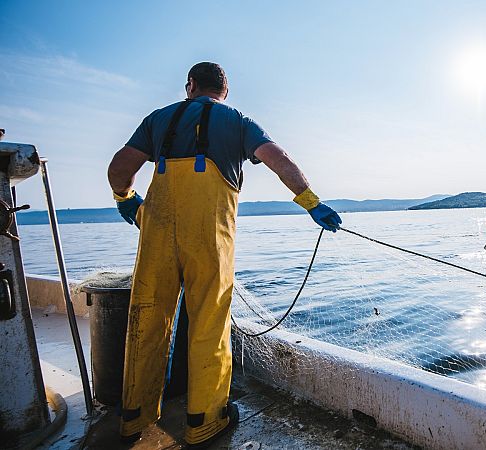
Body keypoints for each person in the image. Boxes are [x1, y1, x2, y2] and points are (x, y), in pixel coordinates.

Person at [106, 62, 341, 447]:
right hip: (209, 237)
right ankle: (204, 421)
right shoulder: (238, 121)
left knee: (147, 317)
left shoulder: (158, 119)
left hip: (157, 232)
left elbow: (119, 168)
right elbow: (278, 159)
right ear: (224, 91)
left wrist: (126, 199)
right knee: (209, 321)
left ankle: (134, 418)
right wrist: (312, 203)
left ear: (191, 86)